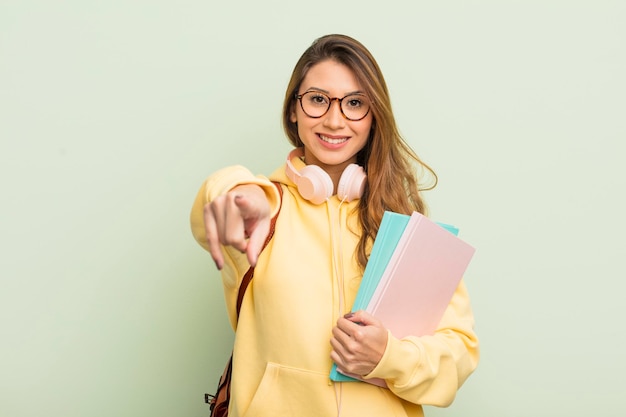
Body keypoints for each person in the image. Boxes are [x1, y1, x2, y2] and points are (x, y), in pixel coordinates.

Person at [190, 34, 479, 417]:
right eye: (317, 99)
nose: (334, 119)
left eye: (355, 103)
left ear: (374, 116)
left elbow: (457, 352)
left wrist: (388, 357)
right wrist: (241, 190)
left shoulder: (410, 233)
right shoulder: (263, 213)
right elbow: (216, 201)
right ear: (293, 109)